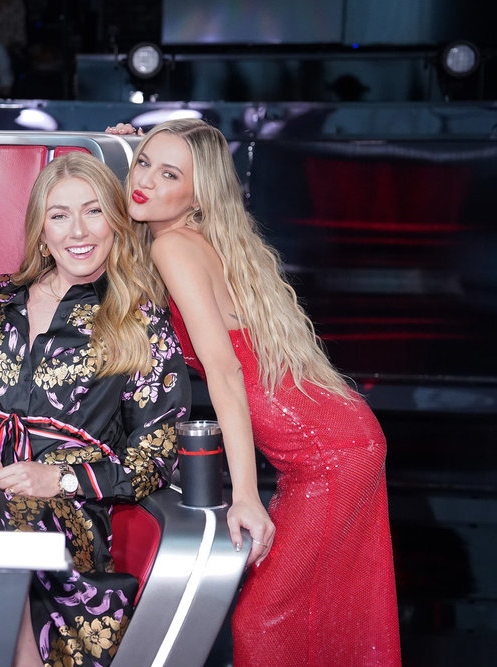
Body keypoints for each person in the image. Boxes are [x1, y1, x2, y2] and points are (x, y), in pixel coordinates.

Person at [109, 118, 401, 665]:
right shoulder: (188, 241)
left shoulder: (174, 246)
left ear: (198, 196)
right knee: (316, 617)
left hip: (326, 454)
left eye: (169, 173)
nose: (143, 180)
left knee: (265, 622)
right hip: (334, 443)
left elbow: (223, 372)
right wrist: (121, 147)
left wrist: (244, 493)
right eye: (143, 163)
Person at [0, 152, 190, 667]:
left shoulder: (140, 319)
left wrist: (63, 478)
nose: (78, 230)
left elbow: (156, 455)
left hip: (62, 513)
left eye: (94, 211)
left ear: (116, 221)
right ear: (41, 230)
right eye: (60, 215)